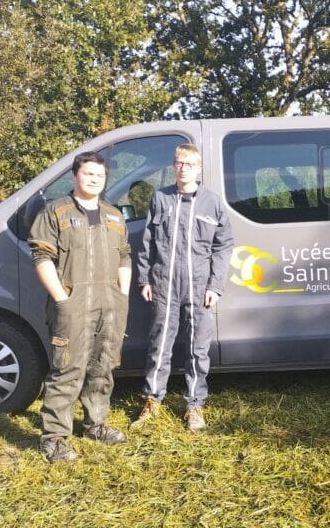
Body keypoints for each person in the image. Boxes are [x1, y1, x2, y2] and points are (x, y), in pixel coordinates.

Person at [29, 151, 132, 463]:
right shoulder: (55, 212)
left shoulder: (114, 215)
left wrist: (122, 294)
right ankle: (56, 438)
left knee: (103, 366)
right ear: (76, 175)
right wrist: (61, 298)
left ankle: (95, 424)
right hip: (73, 305)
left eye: (99, 175)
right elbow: (41, 256)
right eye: (88, 174)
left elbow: (125, 256)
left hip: (110, 304)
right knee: (67, 369)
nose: (94, 179)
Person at [132, 144, 233, 431]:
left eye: (189, 164)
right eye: (179, 163)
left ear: (198, 168)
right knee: (159, 344)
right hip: (164, 284)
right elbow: (147, 243)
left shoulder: (212, 203)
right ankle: (152, 400)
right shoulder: (161, 199)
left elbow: (223, 246)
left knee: (197, 348)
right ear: (173, 166)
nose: (183, 168)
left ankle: (195, 405)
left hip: (200, 286)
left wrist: (215, 285)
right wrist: (145, 279)